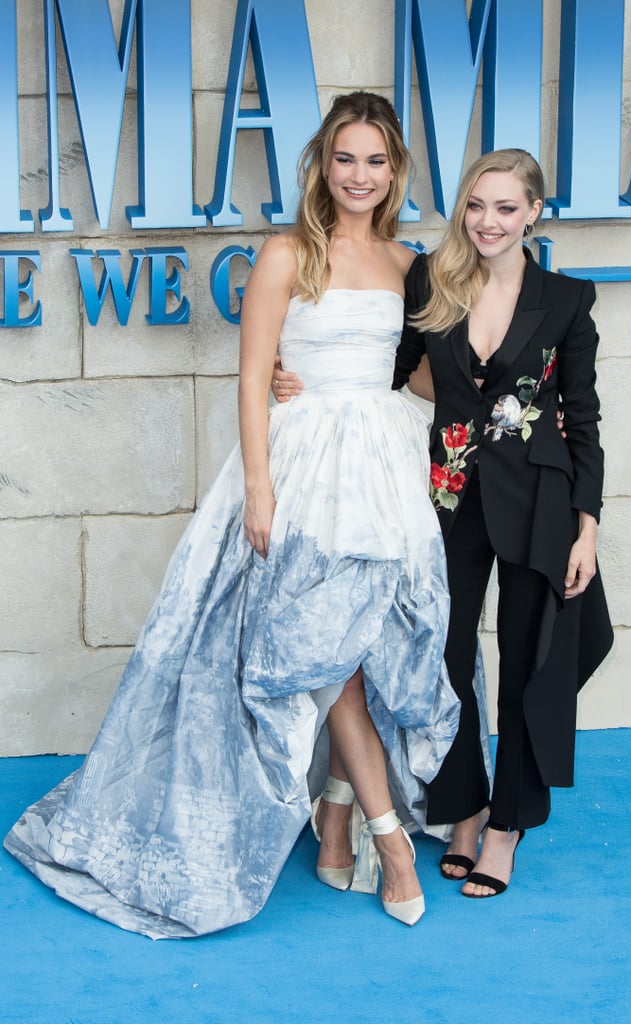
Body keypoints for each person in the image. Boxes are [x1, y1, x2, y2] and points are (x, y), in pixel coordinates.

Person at [3, 92, 468, 938]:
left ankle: (338, 822)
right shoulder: (290, 252)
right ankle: (386, 837)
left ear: (395, 170)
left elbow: (420, 380)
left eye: (375, 161)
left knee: (355, 643)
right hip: (297, 470)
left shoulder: (411, 266)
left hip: (380, 471)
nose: (359, 175)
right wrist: (260, 486)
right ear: (322, 166)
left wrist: (475, 369)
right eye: (344, 159)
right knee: (322, 644)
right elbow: (254, 375)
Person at [274, 148, 613, 899]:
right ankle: (461, 808)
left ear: (532, 214)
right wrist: (283, 368)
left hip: (541, 508)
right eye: (474, 206)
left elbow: (583, 419)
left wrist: (586, 529)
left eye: (504, 208)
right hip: (447, 499)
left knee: (525, 669)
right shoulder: (431, 280)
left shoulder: (564, 299)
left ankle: (504, 827)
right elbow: (386, 365)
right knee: (442, 662)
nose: (486, 222)